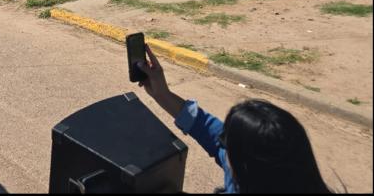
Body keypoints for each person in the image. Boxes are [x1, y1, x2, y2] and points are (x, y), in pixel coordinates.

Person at [135, 45, 331, 194]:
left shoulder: (239, 171)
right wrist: (162, 93)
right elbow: (203, 125)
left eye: (227, 141)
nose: (222, 143)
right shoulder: (282, 172)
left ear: (246, 168)